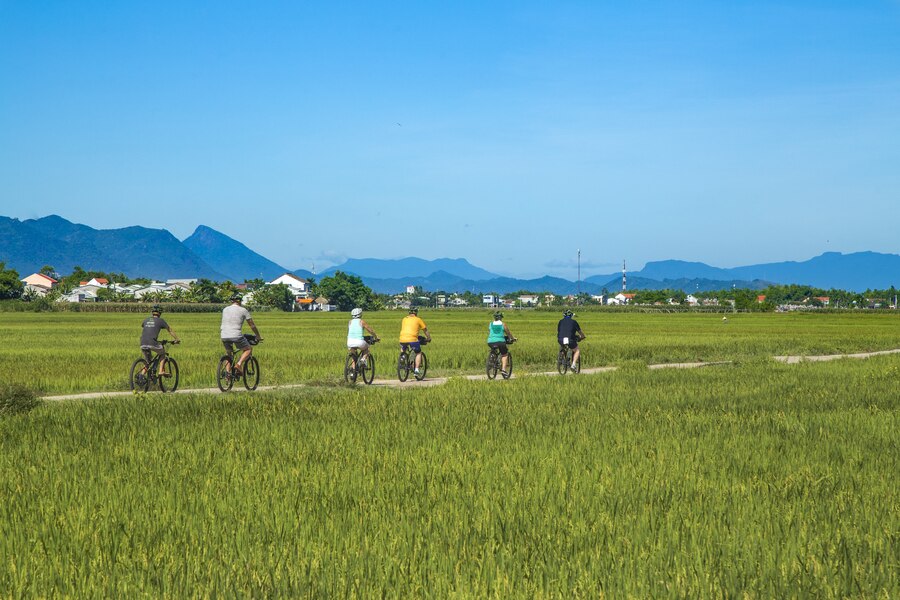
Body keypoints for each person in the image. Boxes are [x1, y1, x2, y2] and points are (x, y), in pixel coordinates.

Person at [221, 293, 262, 375]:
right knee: (248, 349)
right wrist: (258, 336)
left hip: (224, 335)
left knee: (229, 354)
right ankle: (239, 365)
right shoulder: (243, 310)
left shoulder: (225, 309)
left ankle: (227, 375)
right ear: (240, 301)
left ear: (231, 301)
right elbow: (252, 325)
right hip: (236, 335)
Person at [140, 305, 180, 376]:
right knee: (162, 353)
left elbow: (144, 326)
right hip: (152, 342)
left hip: (142, 342)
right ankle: (161, 371)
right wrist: (176, 339)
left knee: (148, 362)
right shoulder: (161, 321)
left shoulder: (146, 320)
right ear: (160, 312)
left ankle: (141, 376)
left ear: (152, 312)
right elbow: (169, 330)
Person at [399, 307, 431, 376]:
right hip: (412, 339)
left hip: (402, 338)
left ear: (409, 312)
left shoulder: (404, 319)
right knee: (418, 353)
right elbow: (425, 330)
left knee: (403, 348)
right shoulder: (418, 319)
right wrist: (429, 338)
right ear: (416, 313)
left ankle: (402, 357)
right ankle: (416, 370)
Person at [487, 311, 515, 377]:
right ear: (501, 318)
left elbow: (491, 332)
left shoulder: (490, 324)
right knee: (504, 354)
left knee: (494, 350)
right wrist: (512, 338)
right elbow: (508, 333)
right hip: (500, 341)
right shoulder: (503, 324)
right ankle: (503, 370)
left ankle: (491, 360)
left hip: (490, 341)